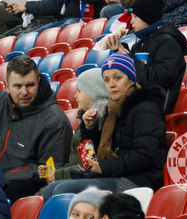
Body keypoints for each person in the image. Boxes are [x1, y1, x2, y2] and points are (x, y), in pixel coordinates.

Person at [37, 52, 166, 195]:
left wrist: (103, 167)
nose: (112, 84)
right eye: (107, 80)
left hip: (140, 180)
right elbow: (97, 151)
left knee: (62, 190)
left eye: (118, 78)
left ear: (131, 79)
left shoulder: (146, 108)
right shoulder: (113, 109)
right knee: (51, 189)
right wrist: (90, 128)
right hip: (116, 174)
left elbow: (145, 156)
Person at [0, 55, 71, 200]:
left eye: (30, 85)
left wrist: (1, 177)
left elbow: (47, 171)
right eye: (18, 86)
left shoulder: (56, 121)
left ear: (39, 81)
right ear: (8, 87)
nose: (24, 92)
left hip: (23, 186)